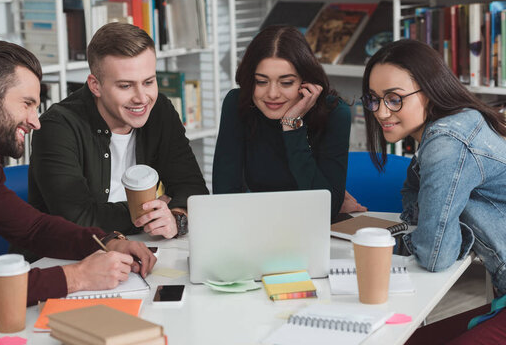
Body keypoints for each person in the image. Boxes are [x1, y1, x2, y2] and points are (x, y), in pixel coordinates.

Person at [0, 41, 156, 315]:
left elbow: (33, 228)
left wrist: (106, 241)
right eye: (27, 104)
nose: (35, 121)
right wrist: (77, 277)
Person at [361, 39, 506, 343]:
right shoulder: (452, 128)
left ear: (428, 92)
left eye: (394, 98)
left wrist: (437, 234)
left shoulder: (447, 141)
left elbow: (436, 254)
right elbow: (419, 221)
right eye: (374, 99)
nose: (382, 113)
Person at [27, 22, 208, 241]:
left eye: (149, 82)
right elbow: (77, 219)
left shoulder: (159, 110)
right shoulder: (57, 126)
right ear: (95, 86)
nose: (142, 98)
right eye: (125, 86)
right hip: (67, 257)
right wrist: (151, 211)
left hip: (140, 246)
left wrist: (176, 217)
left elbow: (193, 190)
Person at [212, 25, 355, 221]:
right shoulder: (238, 104)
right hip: (257, 226)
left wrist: (292, 126)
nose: (272, 94)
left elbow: (326, 210)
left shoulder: (335, 114)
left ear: (306, 82)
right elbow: (224, 198)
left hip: (314, 230)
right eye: (261, 82)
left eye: (286, 82)